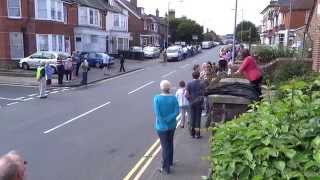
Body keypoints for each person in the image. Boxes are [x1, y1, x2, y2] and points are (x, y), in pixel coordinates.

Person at [153, 80, 179, 174]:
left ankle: (166, 168)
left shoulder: (157, 98)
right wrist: (169, 119)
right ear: (169, 88)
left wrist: (164, 121)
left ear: (161, 88)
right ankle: (170, 162)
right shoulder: (174, 98)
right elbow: (177, 111)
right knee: (170, 143)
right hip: (172, 125)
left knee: (165, 146)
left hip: (161, 127)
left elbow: (157, 113)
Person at [187, 71, 204, 139]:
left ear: (192, 76)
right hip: (199, 103)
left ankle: (192, 133)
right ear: (199, 75)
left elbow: (186, 94)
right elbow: (204, 93)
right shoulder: (201, 83)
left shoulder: (189, 83)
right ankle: (197, 134)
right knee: (198, 119)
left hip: (192, 103)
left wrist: (190, 100)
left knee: (192, 118)